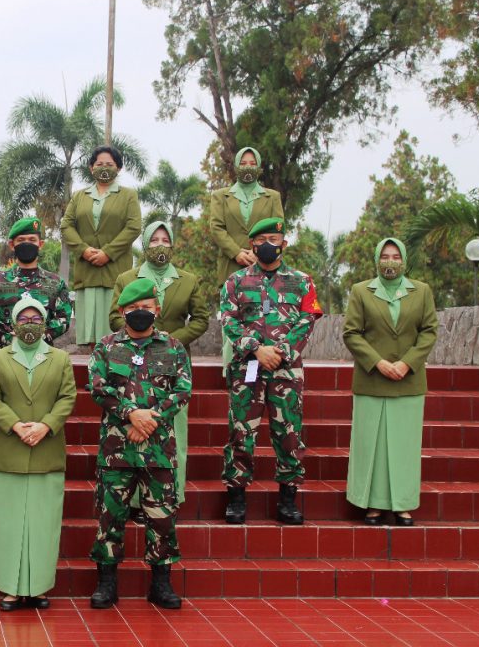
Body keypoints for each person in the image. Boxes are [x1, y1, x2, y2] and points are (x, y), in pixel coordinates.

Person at [88, 278, 190, 610]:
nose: (140, 313)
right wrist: (132, 414)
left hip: (158, 450)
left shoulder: (174, 347)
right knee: (110, 516)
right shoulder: (106, 346)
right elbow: (99, 388)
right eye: (133, 308)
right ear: (121, 312)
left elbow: (182, 391)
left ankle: (160, 583)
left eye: (146, 307)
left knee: (161, 518)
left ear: (157, 310)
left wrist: (150, 420)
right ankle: (106, 583)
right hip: (117, 451)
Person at [220, 218, 323, 526]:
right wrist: (256, 349)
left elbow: (308, 319)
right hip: (248, 367)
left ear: (284, 243)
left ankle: (288, 499)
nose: (268, 243)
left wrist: (280, 352)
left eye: (274, 238)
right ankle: (236, 496)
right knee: (241, 432)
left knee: (289, 433)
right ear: (252, 244)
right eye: (262, 238)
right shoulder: (235, 282)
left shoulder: (302, 281)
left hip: (286, 371)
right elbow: (229, 320)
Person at [0, 296, 76, 611]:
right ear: (13, 324)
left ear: (45, 322)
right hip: (9, 450)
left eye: (36, 319)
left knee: (43, 524)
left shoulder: (60, 359)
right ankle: (10, 588)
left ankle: (37, 588)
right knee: (8, 524)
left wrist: (46, 426)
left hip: (46, 451)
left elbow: (67, 398)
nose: (30, 324)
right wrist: (17, 426)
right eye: (24, 319)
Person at [110, 220, 209, 504]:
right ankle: (133, 500)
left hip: (172, 366)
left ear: (173, 244)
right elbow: (115, 317)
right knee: (133, 423)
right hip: (132, 364)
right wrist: (142, 334)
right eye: (154, 240)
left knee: (172, 430)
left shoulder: (188, 280)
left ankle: (169, 496)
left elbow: (201, 319)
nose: (160, 245)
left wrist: (170, 340)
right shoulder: (127, 279)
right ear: (144, 244)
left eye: (166, 240)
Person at [343, 238, 438, 527]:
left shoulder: (421, 291)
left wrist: (407, 362)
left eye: (396, 256)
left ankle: (403, 505)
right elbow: (352, 333)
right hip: (372, 380)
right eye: (385, 255)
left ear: (404, 259)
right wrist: (379, 362)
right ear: (376, 258)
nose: (390, 261)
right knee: (371, 444)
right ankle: (372, 504)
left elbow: (429, 331)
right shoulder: (361, 291)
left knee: (403, 446)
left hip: (408, 381)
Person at [61, 145, 142, 346]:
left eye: (109, 164)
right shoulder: (80, 196)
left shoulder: (128, 195)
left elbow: (133, 227)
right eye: (99, 164)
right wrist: (84, 250)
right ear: (91, 168)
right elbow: (66, 225)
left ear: (118, 168)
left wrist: (108, 252)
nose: (104, 168)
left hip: (116, 272)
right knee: (91, 336)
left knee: (115, 334)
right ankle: (94, 373)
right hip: (86, 272)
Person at [0, 216, 73, 350]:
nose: (27, 243)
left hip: (43, 354)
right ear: (12, 245)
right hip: (7, 355)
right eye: (21, 240)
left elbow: (64, 318)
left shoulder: (56, 283)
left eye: (32, 240)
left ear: (40, 244)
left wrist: (40, 336)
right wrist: (11, 338)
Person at [208, 147, 285, 287]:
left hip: (265, 265)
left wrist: (258, 252)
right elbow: (216, 228)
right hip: (230, 266)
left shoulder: (273, 197)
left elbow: (278, 229)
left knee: (267, 306)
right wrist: (236, 252)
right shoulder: (220, 196)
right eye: (243, 163)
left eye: (252, 163)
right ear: (236, 165)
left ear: (259, 166)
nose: (248, 167)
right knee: (231, 307)